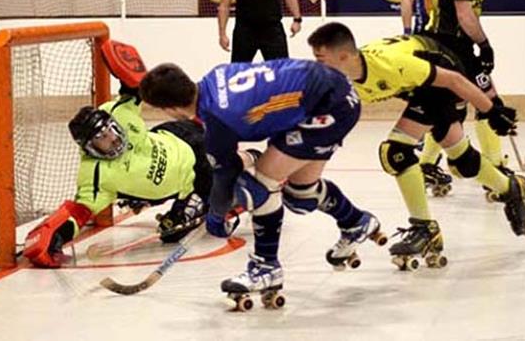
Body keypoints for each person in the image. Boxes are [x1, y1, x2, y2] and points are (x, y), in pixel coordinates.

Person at [139, 59, 385, 308]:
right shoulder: (217, 74)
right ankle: (355, 222)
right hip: (334, 90)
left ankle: (265, 268)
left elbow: (225, 176)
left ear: (170, 110)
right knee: (301, 196)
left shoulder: (217, 119)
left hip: (329, 108)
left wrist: (217, 213)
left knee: (258, 186)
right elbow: (232, 161)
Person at [307, 22, 525, 270]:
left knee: (395, 151)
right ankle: (510, 188)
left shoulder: (391, 65)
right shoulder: (343, 81)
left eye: (320, 59)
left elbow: (454, 80)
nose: (316, 67)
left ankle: (424, 228)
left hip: (444, 72)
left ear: (343, 56)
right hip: (420, 87)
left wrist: (492, 111)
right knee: (461, 157)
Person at [22, 78, 257, 268]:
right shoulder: (95, 176)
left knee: (228, 185)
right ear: (90, 148)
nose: (112, 139)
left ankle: (255, 160)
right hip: (189, 182)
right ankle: (225, 177)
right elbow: (79, 212)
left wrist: (126, 69)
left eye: (110, 131)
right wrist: (51, 235)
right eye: (101, 140)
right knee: (170, 233)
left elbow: (135, 86)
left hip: (182, 138)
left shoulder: (117, 111)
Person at [400, 0, 523, 195]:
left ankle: (430, 162)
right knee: (487, 102)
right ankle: (492, 169)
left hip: (455, 41)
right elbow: (410, 0)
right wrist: (408, 32)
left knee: (450, 109)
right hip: (442, 41)